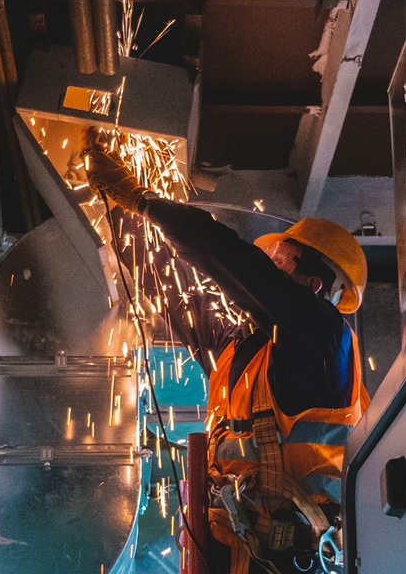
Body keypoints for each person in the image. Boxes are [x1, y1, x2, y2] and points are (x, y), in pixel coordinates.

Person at [82, 132, 370, 574]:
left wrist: (141, 199)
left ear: (312, 285)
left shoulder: (323, 337)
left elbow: (227, 257)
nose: (267, 264)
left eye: (280, 259)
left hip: (287, 560)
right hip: (230, 550)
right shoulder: (242, 349)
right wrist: (116, 209)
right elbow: (170, 286)